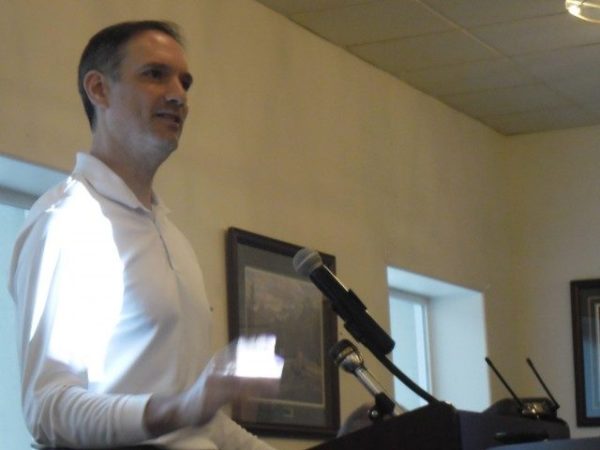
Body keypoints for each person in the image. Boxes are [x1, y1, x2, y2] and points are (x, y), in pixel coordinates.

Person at [8, 20, 280, 450]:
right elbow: (48, 408)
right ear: (99, 90)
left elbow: (200, 425)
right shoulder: (66, 222)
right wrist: (181, 407)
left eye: (184, 81)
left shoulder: (173, 237)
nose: (179, 95)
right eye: (155, 75)